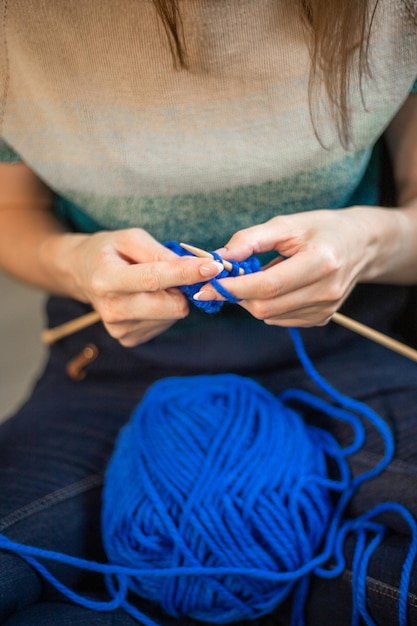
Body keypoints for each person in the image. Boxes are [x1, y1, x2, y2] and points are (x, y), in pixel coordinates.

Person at [0, 0, 416, 624]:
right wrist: (75, 262)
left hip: (349, 344)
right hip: (115, 358)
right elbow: (11, 213)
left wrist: (368, 241)